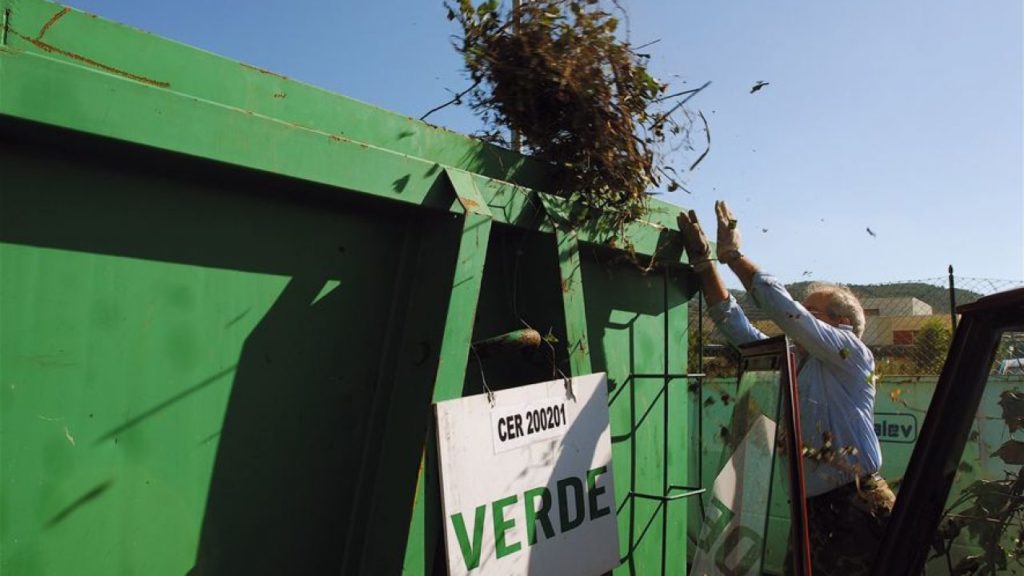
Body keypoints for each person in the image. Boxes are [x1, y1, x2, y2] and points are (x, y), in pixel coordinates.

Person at [678, 200, 896, 576]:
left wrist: (733, 256)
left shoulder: (853, 352)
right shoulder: (795, 360)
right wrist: (704, 263)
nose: (800, 321)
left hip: (857, 504)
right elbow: (737, 327)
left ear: (842, 323)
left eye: (812, 314)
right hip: (809, 509)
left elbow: (787, 313)